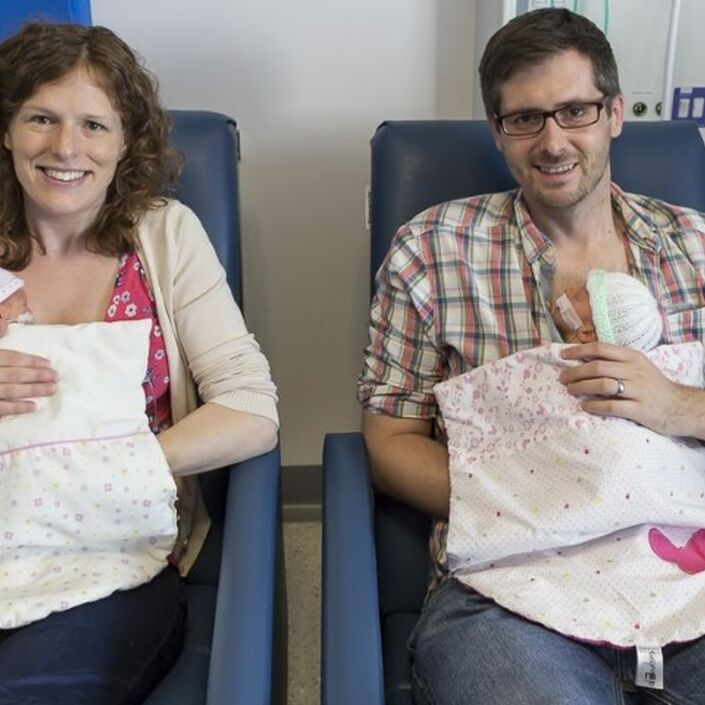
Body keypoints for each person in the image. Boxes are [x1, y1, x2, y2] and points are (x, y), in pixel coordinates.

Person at [359, 7, 705, 704]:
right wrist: (530, 496)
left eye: (573, 111)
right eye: (524, 119)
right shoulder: (432, 250)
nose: (551, 141)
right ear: (496, 130)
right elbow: (389, 439)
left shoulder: (693, 246)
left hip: (685, 575)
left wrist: (675, 404)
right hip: (509, 594)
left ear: (613, 113)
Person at [0, 22, 278, 705]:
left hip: (108, 552)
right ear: (6, 129)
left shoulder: (164, 236)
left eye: (94, 124)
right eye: (41, 117)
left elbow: (251, 410)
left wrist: (118, 465)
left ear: (126, 142)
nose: (66, 148)